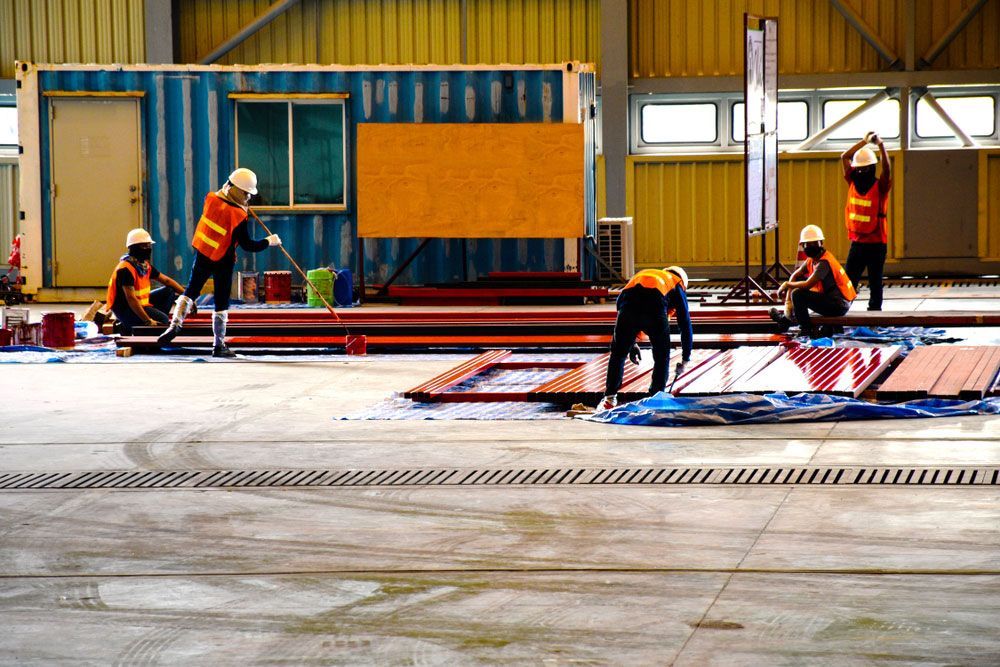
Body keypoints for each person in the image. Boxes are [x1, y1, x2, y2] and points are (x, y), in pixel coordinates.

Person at [157, 168, 282, 357]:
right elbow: (248, 245)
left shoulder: (211, 199)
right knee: (221, 302)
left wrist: (242, 206)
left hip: (203, 253)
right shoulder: (238, 216)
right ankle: (219, 345)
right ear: (236, 190)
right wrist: (268, 241)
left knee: (191, 290)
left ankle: (175, 325)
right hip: (223, 259)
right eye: (246, 193)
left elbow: (223, 200)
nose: (248, 197)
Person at [598, 266, 693, 411]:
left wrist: (631, 342)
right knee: (662, 356)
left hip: (627, 309)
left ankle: (609, 399)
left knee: (618, 354)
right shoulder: (676, 282)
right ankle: (656, 399)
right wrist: (686, 357)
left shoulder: (644, 274)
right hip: (655, 308)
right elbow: (685, 323)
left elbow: (621, 302)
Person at [769, 225, 856, 337]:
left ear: (821, 243)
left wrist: (787, 285)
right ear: (802, 245)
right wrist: (788, 303)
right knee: (796, 289)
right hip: (834, 300)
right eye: (808, 245)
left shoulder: (824, 262)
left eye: (814, 244)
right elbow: (795, 275)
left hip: (839, 305)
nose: (811, 247)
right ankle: (787, 319)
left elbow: (807, 285)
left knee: (798, 294)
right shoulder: (812, 259)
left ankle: (805, 329)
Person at [841, 131, 891, 311]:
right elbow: (845, 156)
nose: (860, 171)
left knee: (875, 282)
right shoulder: (852, 181)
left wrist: (881, 145)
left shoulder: (881, 186)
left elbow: (887, 169)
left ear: (871, 168)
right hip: (858, 242)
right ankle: (841, 311)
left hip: (877, 242)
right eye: (858, 168)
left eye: (863, 168)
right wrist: (864, 141)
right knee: (848, 282)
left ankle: (875, 315)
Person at [106, 228, 185, 335]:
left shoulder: (143, 266)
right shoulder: (125, 269)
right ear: (133, 248)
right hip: (126, 309)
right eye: (144, 246)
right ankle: (138, 328)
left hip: (141, 304)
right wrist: (148, 320)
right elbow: (131, 299)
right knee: (163, 320)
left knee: (169, 291)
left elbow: (166, 280)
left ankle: (148, 324)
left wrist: (187, 297)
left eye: (148, 245)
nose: (148, 249)